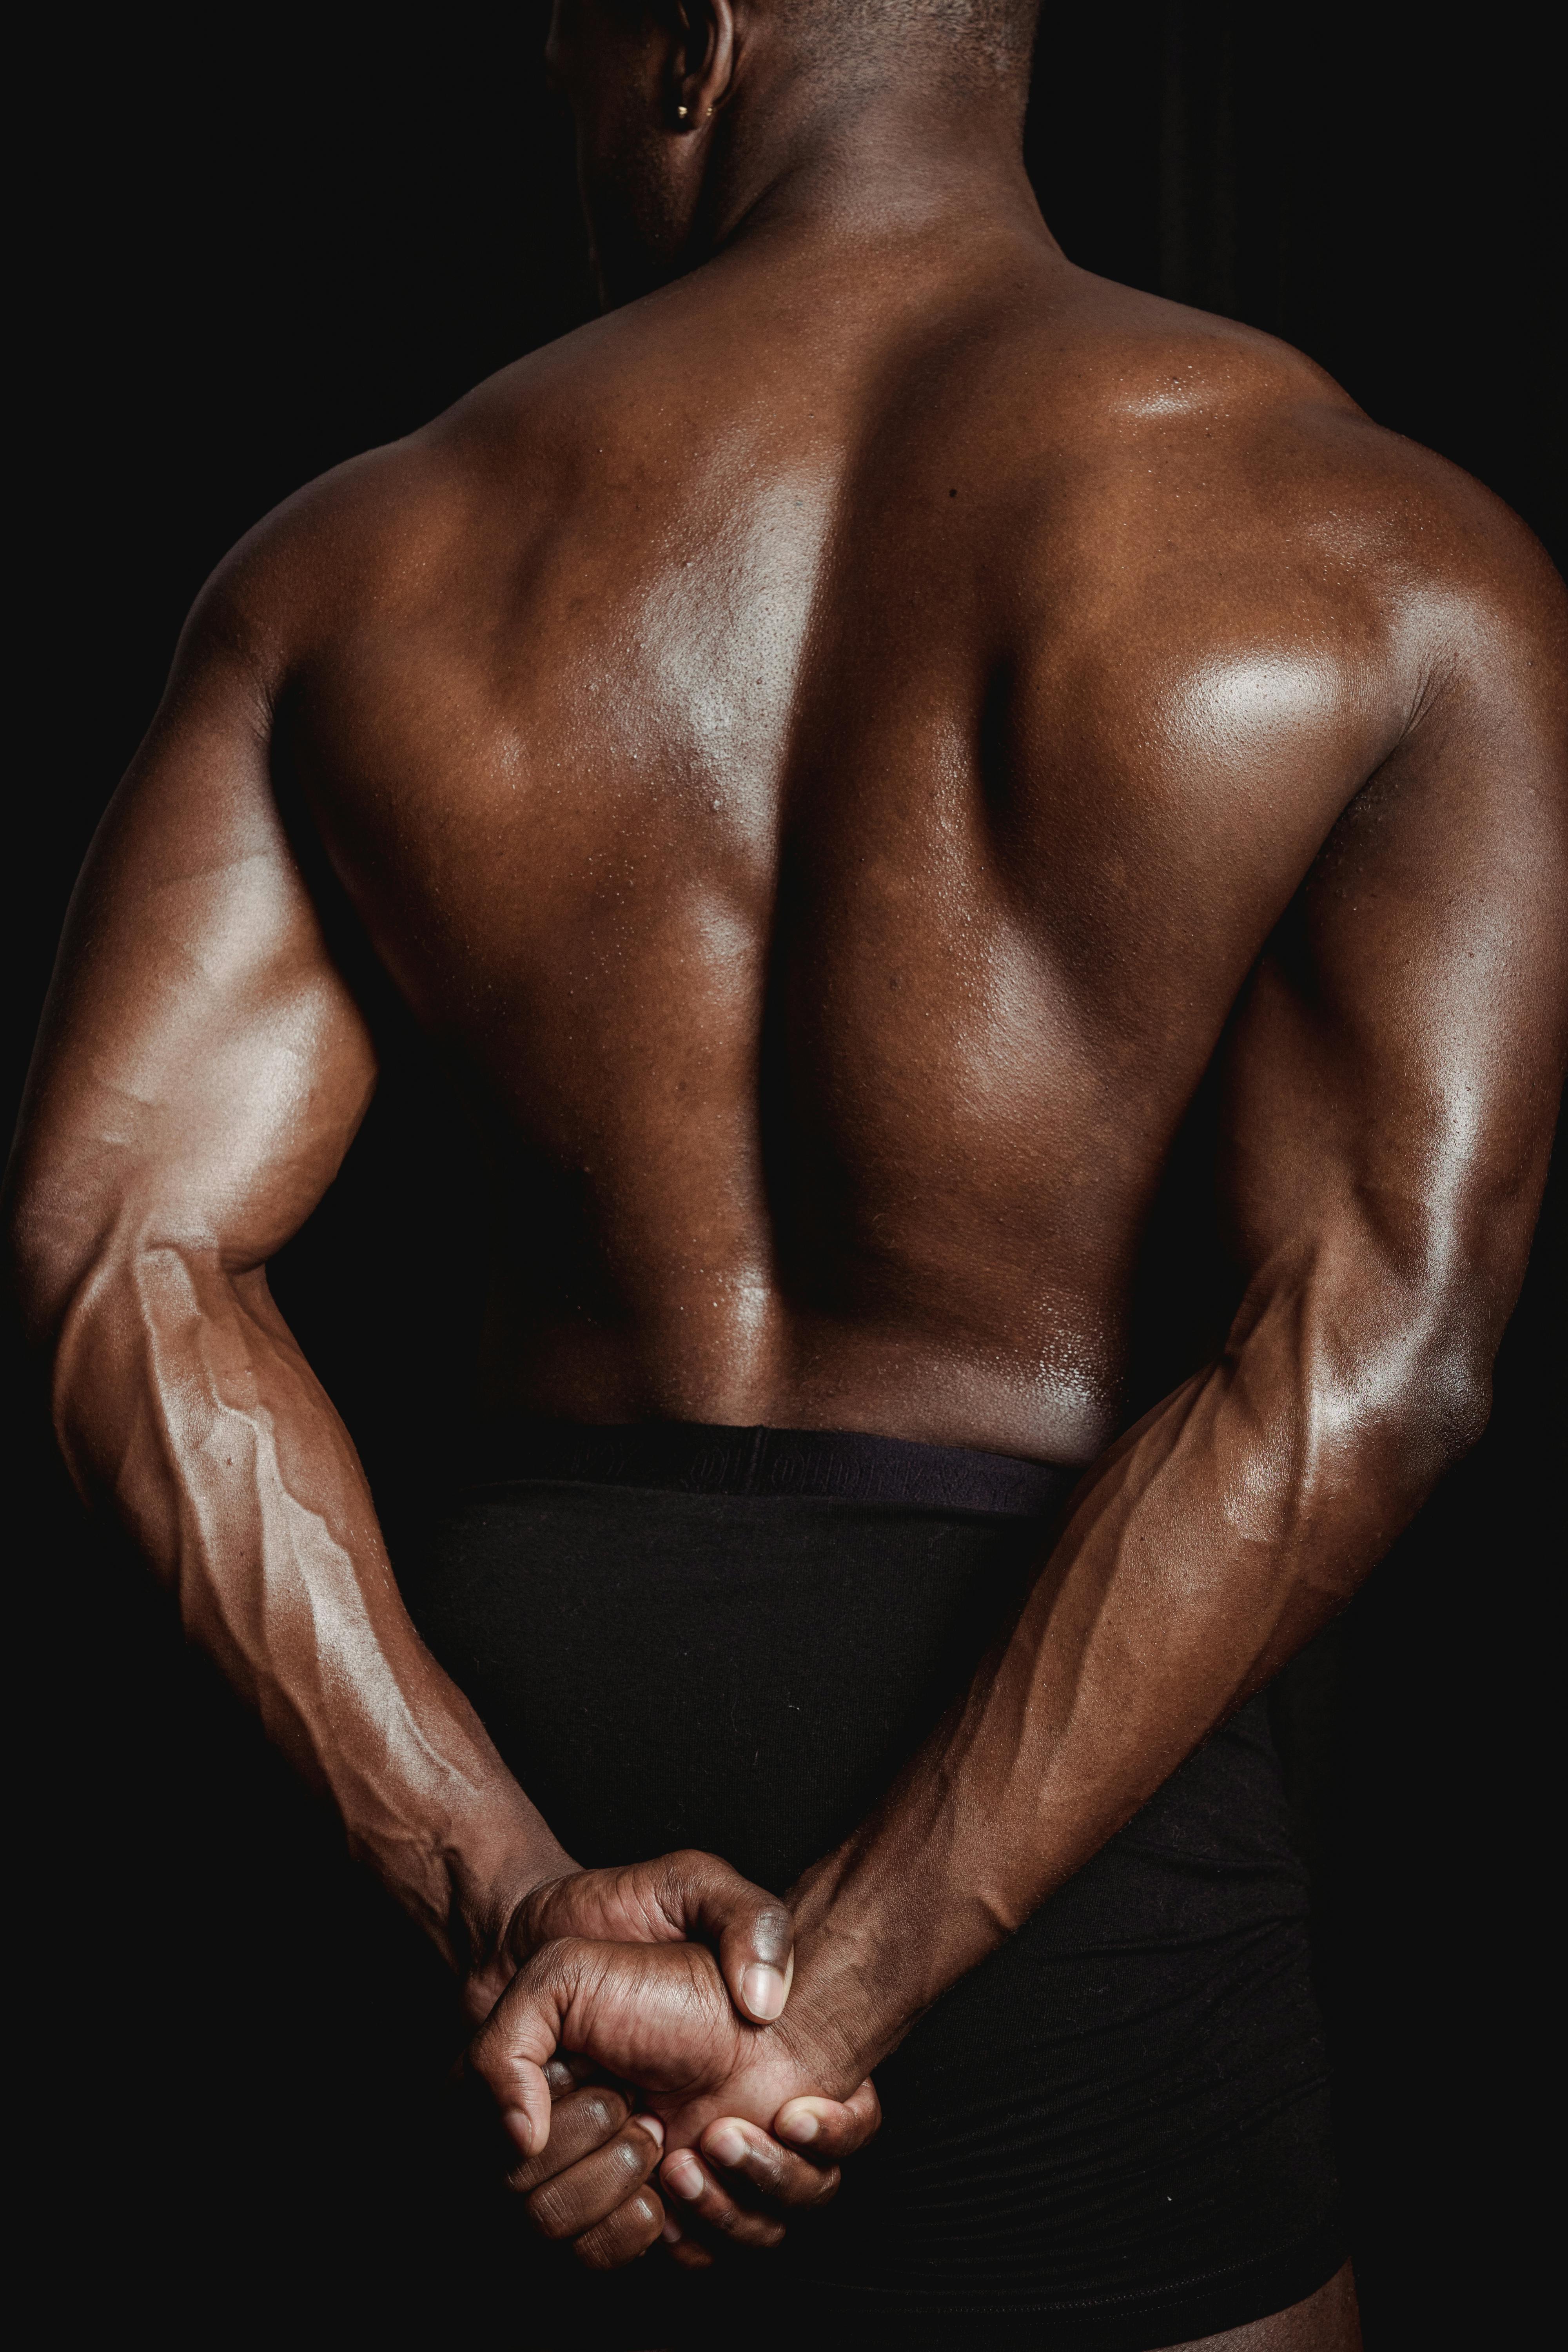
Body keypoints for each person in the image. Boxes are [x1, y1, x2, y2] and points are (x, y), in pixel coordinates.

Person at [8, 1, 1564, 2343]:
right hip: (1072, 1803)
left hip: (514, 1725)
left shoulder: (354, 564)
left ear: (694, 39)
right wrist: (842, 1985)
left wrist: (508, 1894)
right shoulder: (1390, 556)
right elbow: (1377, 1352)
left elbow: (116, 1248)